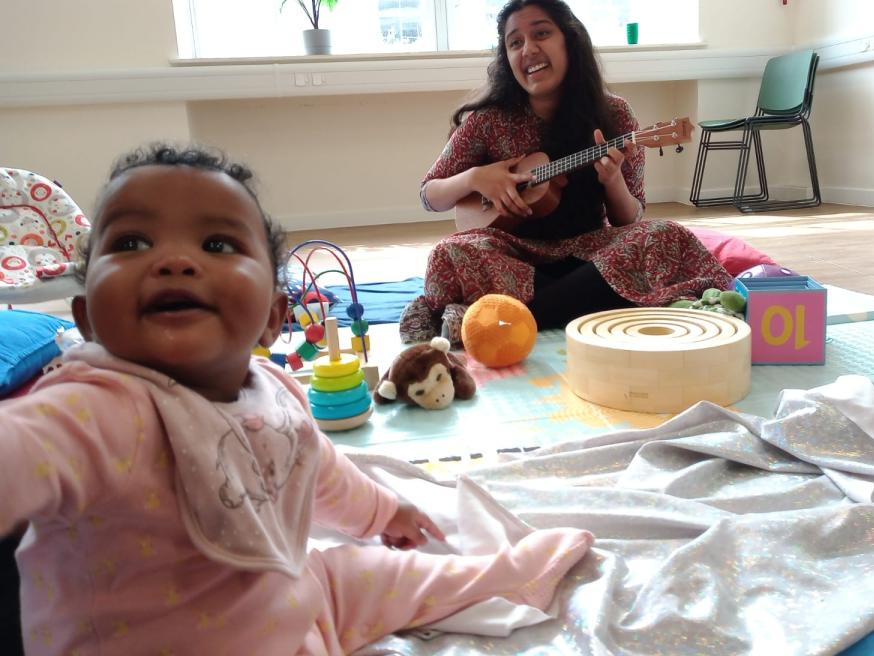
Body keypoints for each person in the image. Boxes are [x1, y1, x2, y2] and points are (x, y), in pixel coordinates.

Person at [0, 144, 593, 656]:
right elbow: (24, 447)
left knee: (364, 570)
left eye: (215, 242)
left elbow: (319, 469)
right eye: (131, 241)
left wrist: (385, 513)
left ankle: (497, 580)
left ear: (272, 318)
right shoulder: (93, 409)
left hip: (289, 603)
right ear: (86, 320)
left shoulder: (274, 389)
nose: (174, 260)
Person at [400, 0, 731, 344]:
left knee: (665, 236)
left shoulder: (615, 114)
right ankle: (585, 304)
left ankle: (508, 316)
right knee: (451, 252)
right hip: (513, 253)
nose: (527, 49)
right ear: (506, 57)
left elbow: (629, 218)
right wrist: (476, 177)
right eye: (515, 42)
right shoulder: (487, 120)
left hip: (592, 254)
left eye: (541, 33)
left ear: (569, 40)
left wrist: (613, 181)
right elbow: (429, 194)